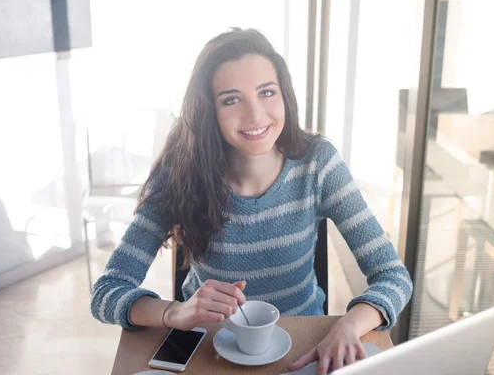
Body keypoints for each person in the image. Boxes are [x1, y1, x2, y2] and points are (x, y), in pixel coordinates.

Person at [90, 27, 412, 374]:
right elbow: (107, 291)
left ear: (284, 95)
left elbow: (393, 277)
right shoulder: (178, 173)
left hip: (303, 347)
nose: (256, 115)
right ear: (207, 110)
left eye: (267, 92)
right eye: (231, 99)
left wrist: (347, 326)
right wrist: (174, 312)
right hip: (208, 348)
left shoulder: (319, 164)